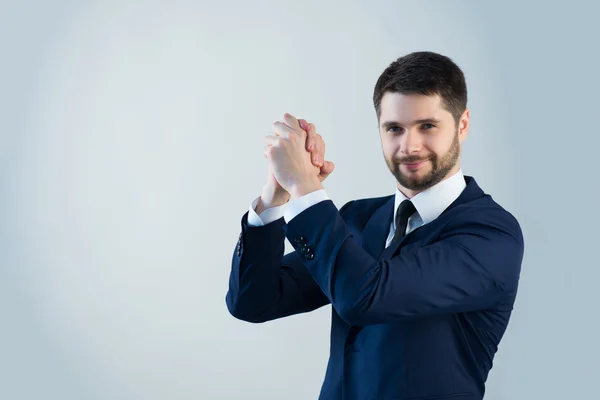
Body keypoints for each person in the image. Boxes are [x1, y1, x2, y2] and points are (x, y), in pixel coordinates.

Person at [226, 51, 524, 400]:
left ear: (463, 124)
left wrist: (305, 187)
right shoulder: (359, 218)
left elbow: (364, 297)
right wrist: (276, 195)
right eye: (394, 128)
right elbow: (253, 302)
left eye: (427, 126)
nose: (408, 146)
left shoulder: (491, 236)